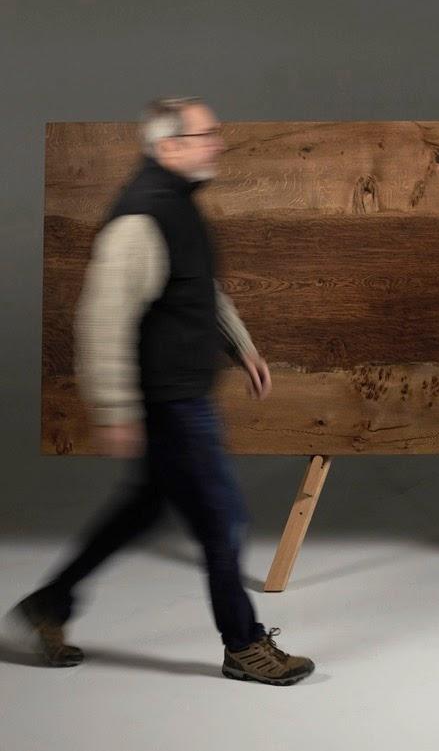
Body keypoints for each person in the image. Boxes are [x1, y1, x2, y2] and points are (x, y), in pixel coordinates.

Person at [7, 97, 314, 686]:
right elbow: (101, 320)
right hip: (169, 401)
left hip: (185, 392)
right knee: (222, 517)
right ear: (168, 146)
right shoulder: (140, 218)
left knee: (140, 511)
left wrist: (241, 346)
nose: (218, 142)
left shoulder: (180, 206)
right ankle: (244, 645)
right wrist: (117, 410)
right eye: (206, 134)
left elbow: (200, 287)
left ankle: (47, 605)